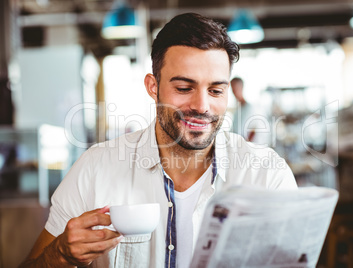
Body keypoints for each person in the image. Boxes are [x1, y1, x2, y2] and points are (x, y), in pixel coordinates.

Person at [20, 13, 297, 268]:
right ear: (153, 87)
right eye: (184, 88)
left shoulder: (267, 175)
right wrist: (58, 255)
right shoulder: (95, 168)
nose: (202, 106)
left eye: (215, 90)